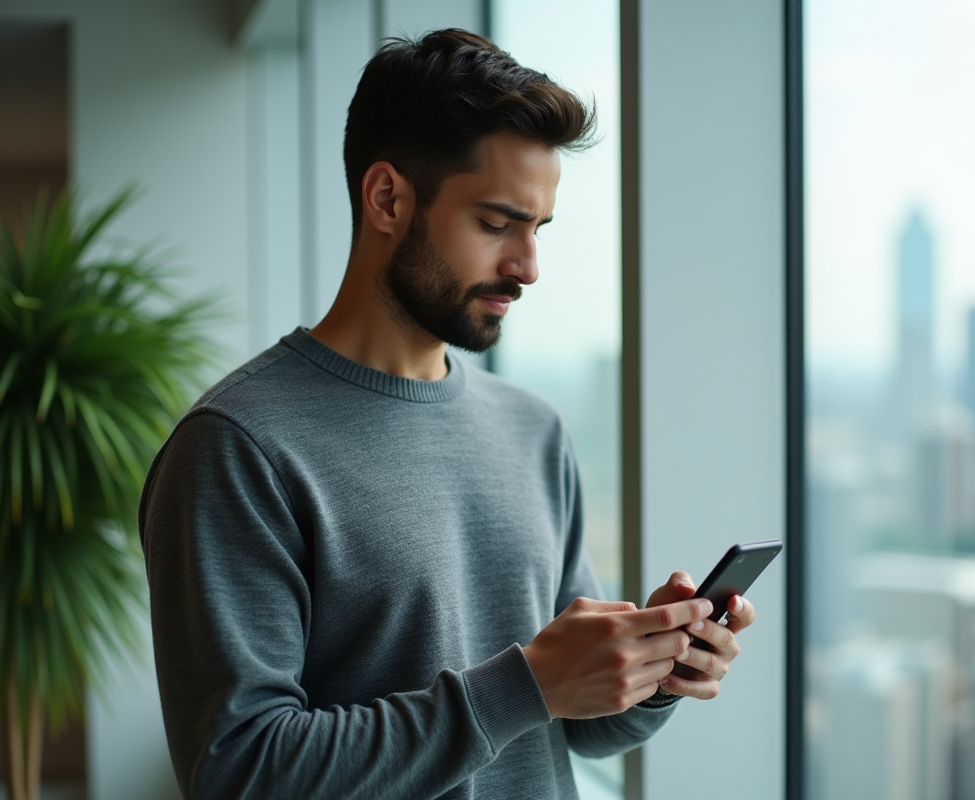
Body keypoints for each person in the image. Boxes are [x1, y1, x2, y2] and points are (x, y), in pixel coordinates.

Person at [139, 28, 756, 800]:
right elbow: (241, 771)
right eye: (497, 224)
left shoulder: (534, 430)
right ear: (387, 199)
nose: (528, 267)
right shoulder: (238, 447)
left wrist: (653, 671)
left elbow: (574, 724)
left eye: (538, 229)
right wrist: (528, 685)